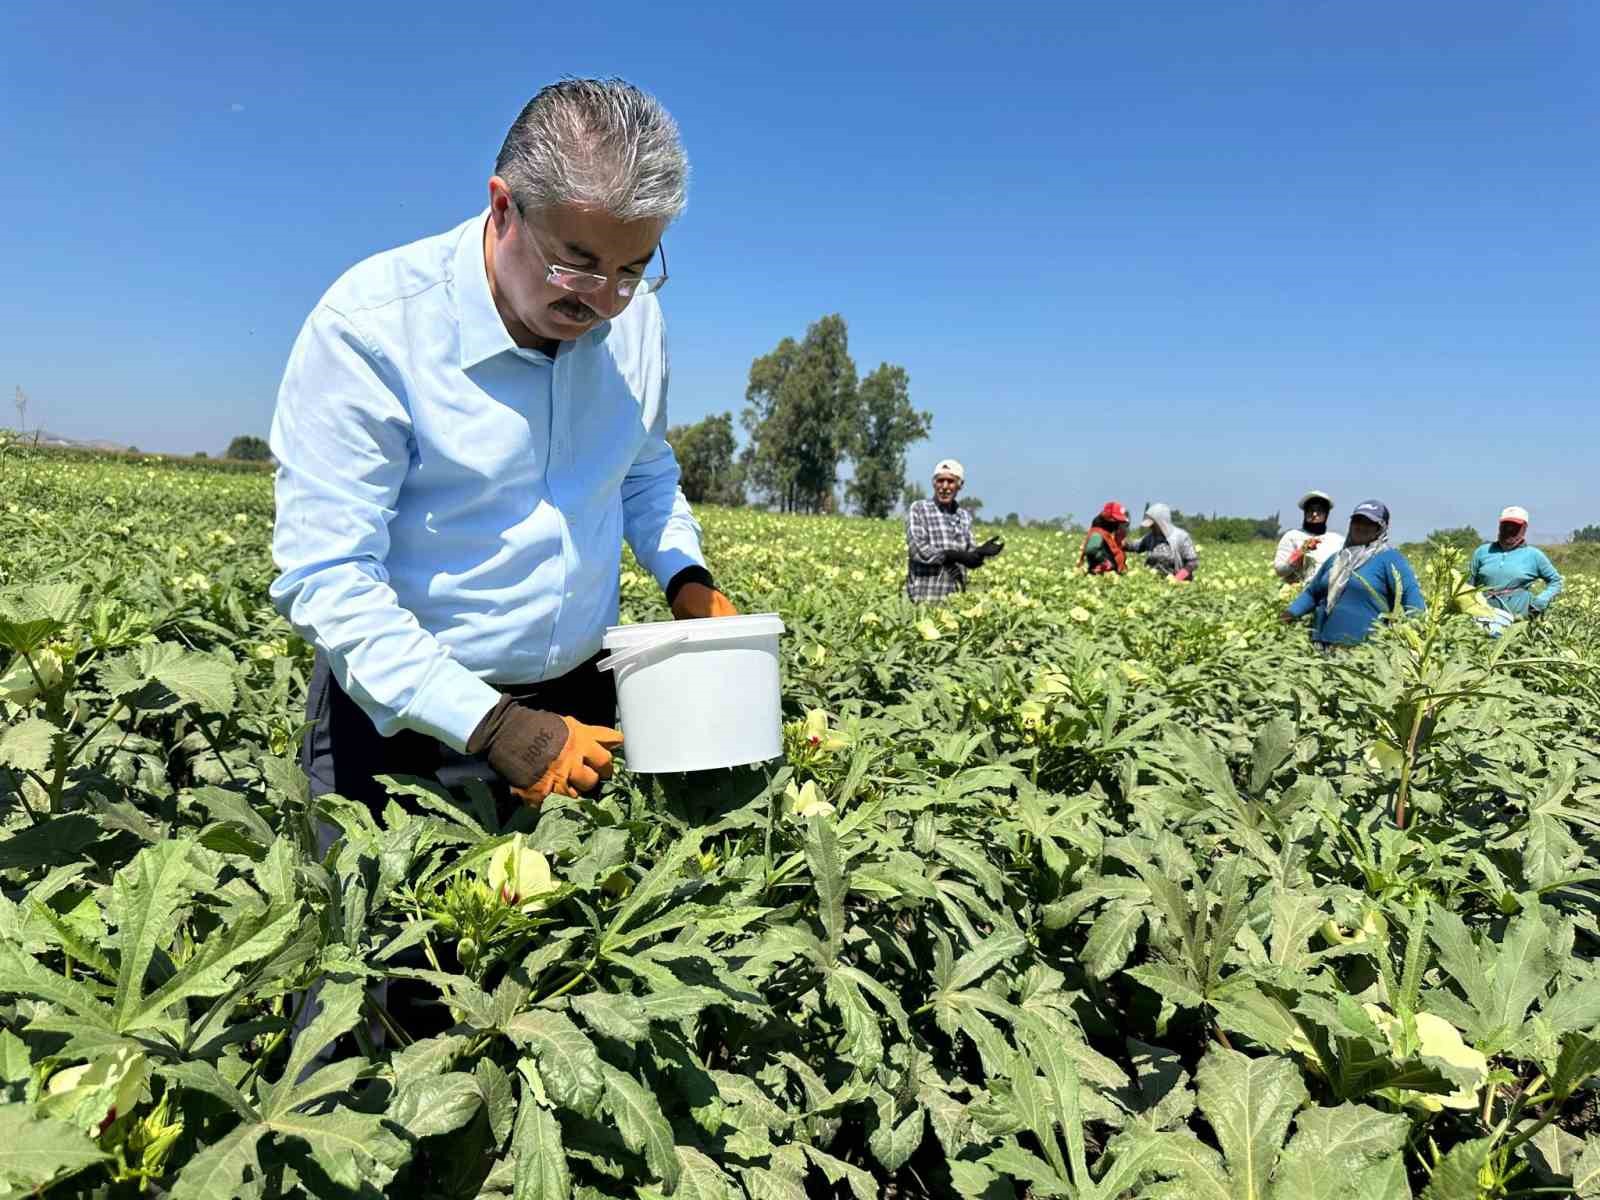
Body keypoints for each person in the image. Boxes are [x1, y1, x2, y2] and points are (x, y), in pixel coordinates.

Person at [270, 79, 738, 817]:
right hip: (404, 720)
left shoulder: (635, 320)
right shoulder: (372, 329)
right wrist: (491, 725)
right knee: (390, 930)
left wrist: (687, 577)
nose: (604, 300)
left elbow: (642, 467)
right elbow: (327, 576)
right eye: (577, 264)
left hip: (582, 708)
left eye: (633, 269)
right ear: (503, 208)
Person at [1281, 500, 1424, 646]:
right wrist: (1288, 615)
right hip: (1320, 648)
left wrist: (1413, 638)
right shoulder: (1337, 559)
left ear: (1381, 528)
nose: (1361, 526)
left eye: (1369, 523)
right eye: (1357, 521)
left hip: (1364, 653)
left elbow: (1413, 600)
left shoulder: (1389, 559)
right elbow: (1312, 593)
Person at [905, 459, 1002, 601]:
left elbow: (968, 557)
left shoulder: (964, 516)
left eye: (950, 481)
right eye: (940, 481)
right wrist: (952, 555)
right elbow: (917, 550)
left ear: (959, 485)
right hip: (923, 598)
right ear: (934, 483)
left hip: (954, 600)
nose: (944, 486)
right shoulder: (919, 509)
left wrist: (980, 553)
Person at [1467, 505, 1563, 621]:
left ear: (1524, 528)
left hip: (1517, 621)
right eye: (1506, 526)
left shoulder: (1534, 555)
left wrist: (1540, 601)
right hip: (1482, 618)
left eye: (1515, 527)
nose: (1509, 530)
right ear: (1500, 526)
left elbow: (1556, 581)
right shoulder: (1482, 552)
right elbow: (1468, 585)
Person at [1274, 490, 1345, 583]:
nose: (1314, 514)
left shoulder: (1337, 540)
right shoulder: (1292, 536)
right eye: (1311, 510)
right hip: (1298, 592)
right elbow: (1280, 570)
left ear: (1326, 514)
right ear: (1305, 513)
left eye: (1319, 510)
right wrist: (1299, 554)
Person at [1127, 503, 1198, 579]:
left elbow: (1192, 562)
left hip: (1177, 585)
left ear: (1161, 522)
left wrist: (1177, 579)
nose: (1150, 527)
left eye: (1153, 525)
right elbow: (1135, 546)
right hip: (1153, 582)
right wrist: (1120, 542)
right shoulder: (1150, 537)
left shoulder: (1181, 537)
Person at [1079, 502, 1130, 574]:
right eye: (1117, 522)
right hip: (1101, 578)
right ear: (1109, 520)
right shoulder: (1097, 534)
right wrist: (1105, 562)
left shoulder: (1106, 534)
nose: (1118, 524)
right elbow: (1091, 549)